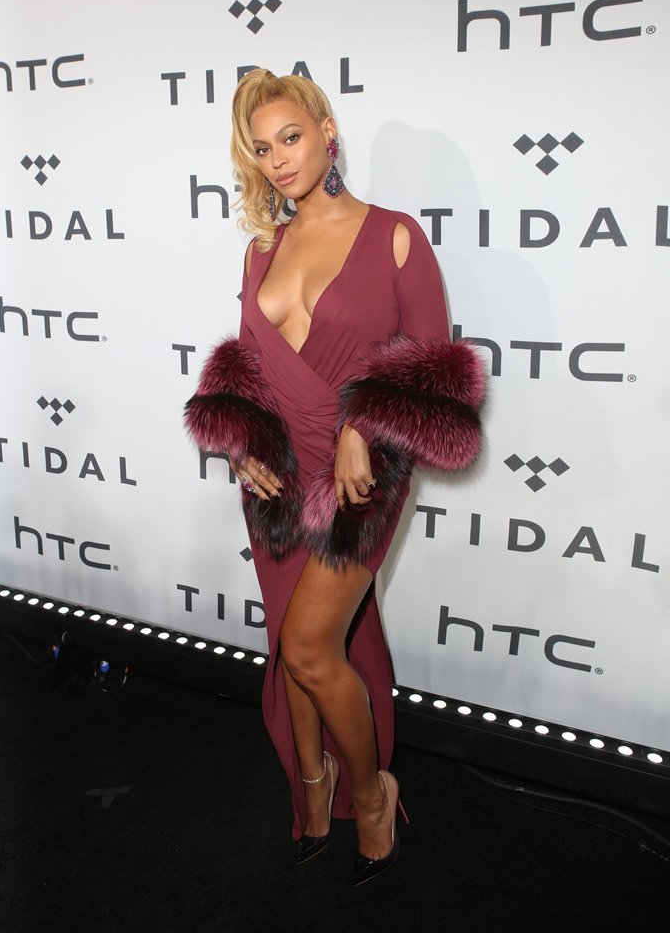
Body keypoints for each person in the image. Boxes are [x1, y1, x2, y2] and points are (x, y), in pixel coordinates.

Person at [185, 70, 483, 886]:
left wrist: (362, 425)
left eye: (291, 137)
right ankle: (311, 790)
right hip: (276, 476)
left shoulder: (394, 237)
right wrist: (238, 439)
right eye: (261, 149)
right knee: (292, 647)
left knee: (313, 647)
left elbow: (436, 370)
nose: (279, 159)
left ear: (326, 133)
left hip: (362, 474)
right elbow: (247, 366)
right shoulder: (261, 250)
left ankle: (372, 794)